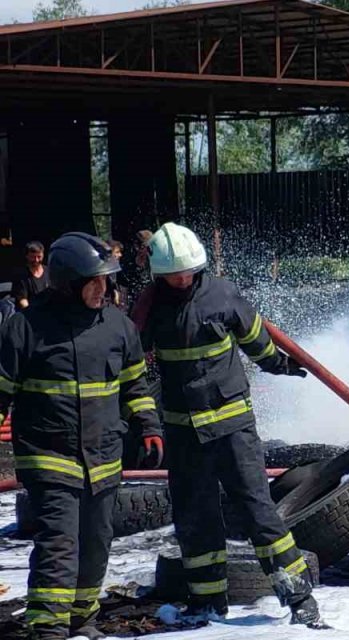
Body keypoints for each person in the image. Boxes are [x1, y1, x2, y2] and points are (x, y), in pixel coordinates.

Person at [136, 222, 325, 628]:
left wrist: (285, 365)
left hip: (232, 429)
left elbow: (257, 342)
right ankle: (206, 604)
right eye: (172, 274)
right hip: (184, 434)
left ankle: (298, 597)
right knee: (195, 517)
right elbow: (129, 352)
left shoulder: (223, 295)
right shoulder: (151, 305)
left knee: (258, 511)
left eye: (186, 271)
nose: (181, 279)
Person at [0, 233, 162, 640]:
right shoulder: (25, 328)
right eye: (95, 281)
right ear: (68, 283)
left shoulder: (118, 328)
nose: (103, 289)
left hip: (104, 458)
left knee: (96, 545)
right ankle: (48, 628)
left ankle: (80, 619)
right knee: (59, 544)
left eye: (107, 280)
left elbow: (135, 386)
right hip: (49, 457)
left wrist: (149, 426)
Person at [12, 241, 49, 310]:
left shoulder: (49, 271)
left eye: (39, 257)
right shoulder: (21, 275)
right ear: (27, 256)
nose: (36, 260)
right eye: (33, 257)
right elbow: (23, 300)